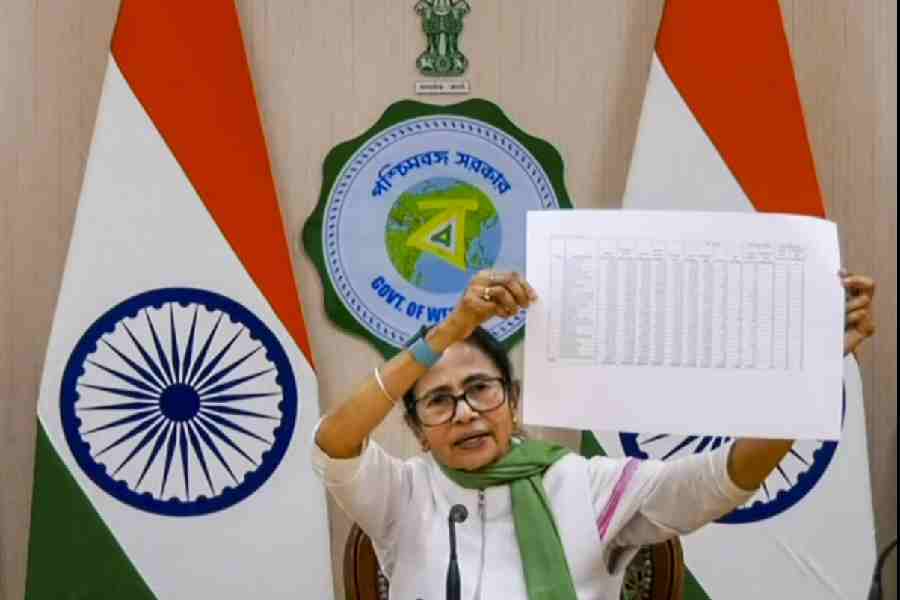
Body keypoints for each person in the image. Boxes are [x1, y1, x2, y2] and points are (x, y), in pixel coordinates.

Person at [313, 270, 877, 600]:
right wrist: (452, 330)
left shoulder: (583, 484)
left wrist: (809, 377)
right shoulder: (400, 495)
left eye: (481, 389)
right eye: (438, 401)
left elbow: (722, 478)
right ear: (414, 428)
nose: (465, 412)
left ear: (511, 400)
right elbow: (335, 441)